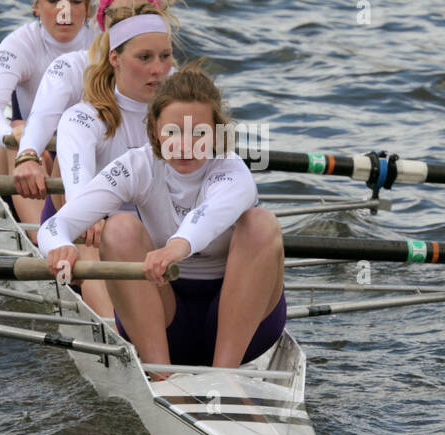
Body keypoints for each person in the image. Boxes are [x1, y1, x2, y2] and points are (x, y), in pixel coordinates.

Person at [38, 64, 286, 374]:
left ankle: (226, 376)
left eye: (199, 133)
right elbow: (54, 225)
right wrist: (59, 247)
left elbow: (207, 217)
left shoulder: (233, 171)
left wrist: (175, 248)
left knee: (260, 224)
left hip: (247, 330)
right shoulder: (136, 165)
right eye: (173, 132)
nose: (184, 145)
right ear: (155, 129)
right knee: (119, 229)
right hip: (165, 318)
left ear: (217, 132)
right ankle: (160, 372)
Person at [11, 0, 176, 207]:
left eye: (142, 12)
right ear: (102, 22)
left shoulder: (172, 78)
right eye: (119, 15)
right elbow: (42, 117)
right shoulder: (70, 67)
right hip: (78, 179)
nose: (131, 20)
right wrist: (28, 155)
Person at [0, 0, 97, 227]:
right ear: (36, 7)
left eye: (75, 2)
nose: (64, 9)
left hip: (85, 155)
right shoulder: (22, 43)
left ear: (88, 9)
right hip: (31, 161)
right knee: (19, 135)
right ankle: (41, 238)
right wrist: (14, 136)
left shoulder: (103, 43)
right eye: (54, 1)